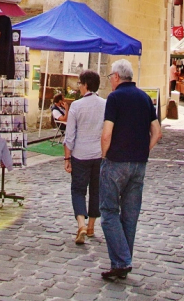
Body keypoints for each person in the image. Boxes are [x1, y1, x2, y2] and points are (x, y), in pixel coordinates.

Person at [99, 59, 162, 281]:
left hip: (116, 161)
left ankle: (123, 260)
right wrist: (145, 149)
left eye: (110, 77)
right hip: (139, 163)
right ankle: (121, 262)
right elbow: (157, 132)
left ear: (116, 76)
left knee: (108, 211)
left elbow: (107, 133)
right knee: (130, 214)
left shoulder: (114, 98)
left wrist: (104, 154)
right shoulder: (145, 97)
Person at [63, 70, 105, 245]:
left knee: (78, 190)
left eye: (80, 83)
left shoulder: (77, 106)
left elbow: (69, 135)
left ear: (86, 85)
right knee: (96, 190)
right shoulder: (105, 104)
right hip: (99, 154)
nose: (79, 86)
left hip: (80, 155)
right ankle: (91, 226)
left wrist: (67, 158)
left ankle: (81, 223)